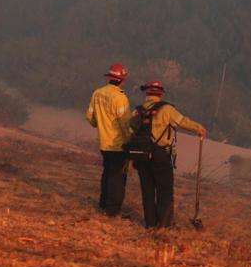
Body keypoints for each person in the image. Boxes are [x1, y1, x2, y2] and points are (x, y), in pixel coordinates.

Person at [128, 79, 206, 230]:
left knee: (147, 190)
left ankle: (150, 224)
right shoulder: (167, 109)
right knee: (165, 190)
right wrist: (199, 129)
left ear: (147, 93)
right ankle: (164, 225)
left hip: (142, 155)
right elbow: (182, 121)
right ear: (161, 93)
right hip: (160, 155)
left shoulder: (137, 111)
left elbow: (131, 128)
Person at [85, 63, 133, 216]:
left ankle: (103, 204)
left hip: (104, 143)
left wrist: (99, 125)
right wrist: (130, 142)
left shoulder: (97, 93)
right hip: (118, 144)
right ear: (122, 80)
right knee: (117, 178)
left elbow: (90, 117)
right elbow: (125, 123)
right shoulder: (120, 98)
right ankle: (112, 211)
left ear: (109, 78)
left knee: (107, 173)